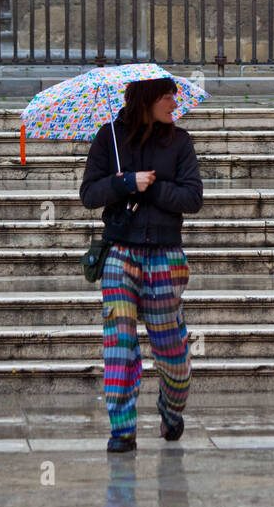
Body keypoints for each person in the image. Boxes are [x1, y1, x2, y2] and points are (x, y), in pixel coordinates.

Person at [79, 76, 203, 453]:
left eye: (175, 95)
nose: (173, 102)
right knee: (119, 342)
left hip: (165, 256)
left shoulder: (180, 141)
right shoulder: (110, 139)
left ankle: (171, 406)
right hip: (120, 254)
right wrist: (125, 183)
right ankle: (122, 429)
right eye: (167, 96)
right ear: (146, 99)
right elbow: (89, 194)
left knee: (171, 350)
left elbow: (193, 197)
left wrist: (156, 187)